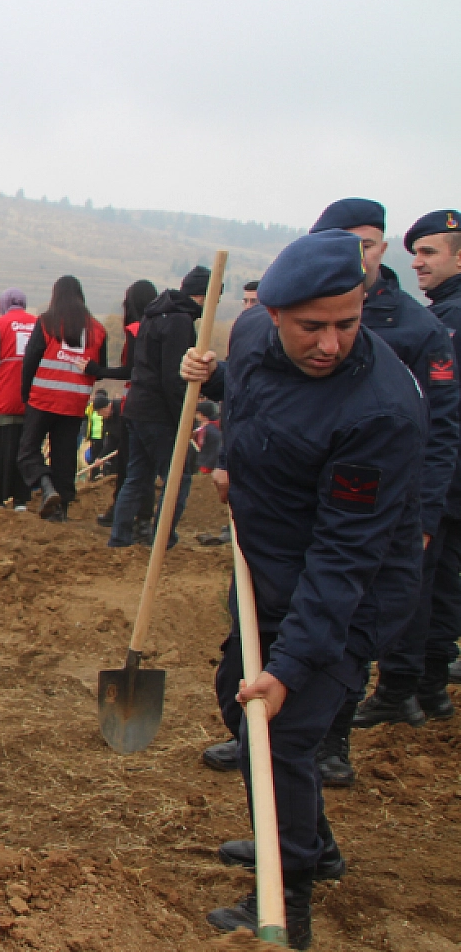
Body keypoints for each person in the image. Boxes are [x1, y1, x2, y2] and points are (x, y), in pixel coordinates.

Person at [183, 230, 424, 949]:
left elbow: (345, 556)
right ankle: (313, 842)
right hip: (268, 564)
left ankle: (289, 900)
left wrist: (290, 666)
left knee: (281, 728)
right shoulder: (253, 331)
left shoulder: (379, 410)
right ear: (278, 313)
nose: (330, 343)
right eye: (311, 326)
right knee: (238, 694)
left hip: (350, 589)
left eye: (347, 323)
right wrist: (222, 425)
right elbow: (254, 404)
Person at [309, 199, 459, 783]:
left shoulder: (416, 328)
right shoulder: (288, 314)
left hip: (374, 504)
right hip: (302, 497)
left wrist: (422, 515)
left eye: (371, 243)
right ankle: (265, 736)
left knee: (348, 621)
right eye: (349, 241)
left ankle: (331, 742)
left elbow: (440, 430)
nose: (362, 255)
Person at [106, 267, 214, 549]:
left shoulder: (154, 316)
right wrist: (184, 417)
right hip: (159, 414)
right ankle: (163, 537)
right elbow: (173, 376)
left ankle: (120, 537)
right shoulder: (179, 321)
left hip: (137, 408)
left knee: (137, 475)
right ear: (203, 295)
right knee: (178, 477)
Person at [407, 209, 461, 696]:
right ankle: (432, 683)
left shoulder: (447, 321)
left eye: (428, 252)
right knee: (445, 580)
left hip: (444, 474)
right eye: (414, 254)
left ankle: (409, 687)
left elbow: (441, 406)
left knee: (420, 580)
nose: (417, 264)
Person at [17, 276, 106, 522]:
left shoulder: (47, 322)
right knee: (65, 457)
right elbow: (99, 369)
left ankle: (46, 486)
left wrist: (26, 393)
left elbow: (31, 360)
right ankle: (61, 510)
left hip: (43, 398)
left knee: (28, 451)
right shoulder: (98, 330)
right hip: (75, 403)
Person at [88, 279, 158, 529]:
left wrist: (97, 369)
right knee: (145, 466)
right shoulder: (159, 328)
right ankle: (142, 515)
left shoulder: (136, 331)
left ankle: (124, 513)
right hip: (154, 405)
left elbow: (130, 370)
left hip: (135, 404)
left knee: (130, 463)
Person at [0, 288, 35, 509]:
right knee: (25, 448)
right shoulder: (38, 324)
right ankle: (22, 498)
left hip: (2, 396)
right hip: (33, 399)